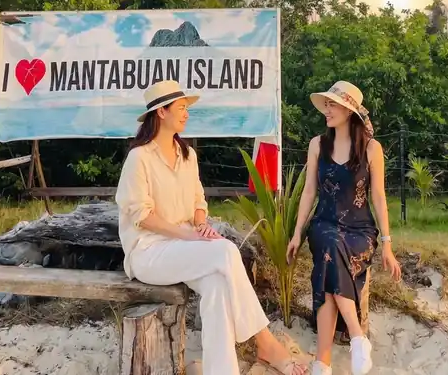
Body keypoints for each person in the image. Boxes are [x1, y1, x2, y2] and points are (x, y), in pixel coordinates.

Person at [115, 80, 309, 375]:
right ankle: (266, 342)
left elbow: (198, 201)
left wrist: (202, 226)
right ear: (161, 113)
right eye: (180, 108)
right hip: (149, 252)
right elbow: (142, 216)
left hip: (184, 247)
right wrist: (188, 234)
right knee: (226, 251)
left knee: (218, 286)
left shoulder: (187, 155)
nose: (186, 113)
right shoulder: (139, 158)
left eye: (186, 108)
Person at [286, 80, 402, 375]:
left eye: (333, 104)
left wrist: (387, 244)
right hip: (324, 225)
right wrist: (298, 232)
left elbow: (378, 196)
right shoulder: (317, 145)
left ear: (349, 110)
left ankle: (321, 363)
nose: (327, 109)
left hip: (360, 230)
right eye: (326, 103)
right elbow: (309, 191)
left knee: (329, 263)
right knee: (330, 243)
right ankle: (357, 336)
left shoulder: (372, 149)